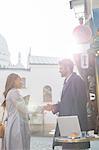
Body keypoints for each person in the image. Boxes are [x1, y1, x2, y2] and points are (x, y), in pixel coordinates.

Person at [44, 58, 90, 150]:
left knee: (73, 147)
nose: (59, 71)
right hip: (68, 124)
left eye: (61, 68)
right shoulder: (67, 81)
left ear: (68, 68)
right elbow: (67, 103)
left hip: (74, 125)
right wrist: (55, 107)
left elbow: (80, 102)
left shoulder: (77, 81)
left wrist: (77, 126)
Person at [2, 73, 30, 150]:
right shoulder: (14, 92)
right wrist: (41, 108)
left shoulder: (11, 92)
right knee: (18, 146)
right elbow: (23, 108)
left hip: (13, 123)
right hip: (16, 125)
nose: (21, 82)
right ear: (13, 81)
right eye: (19, 80)